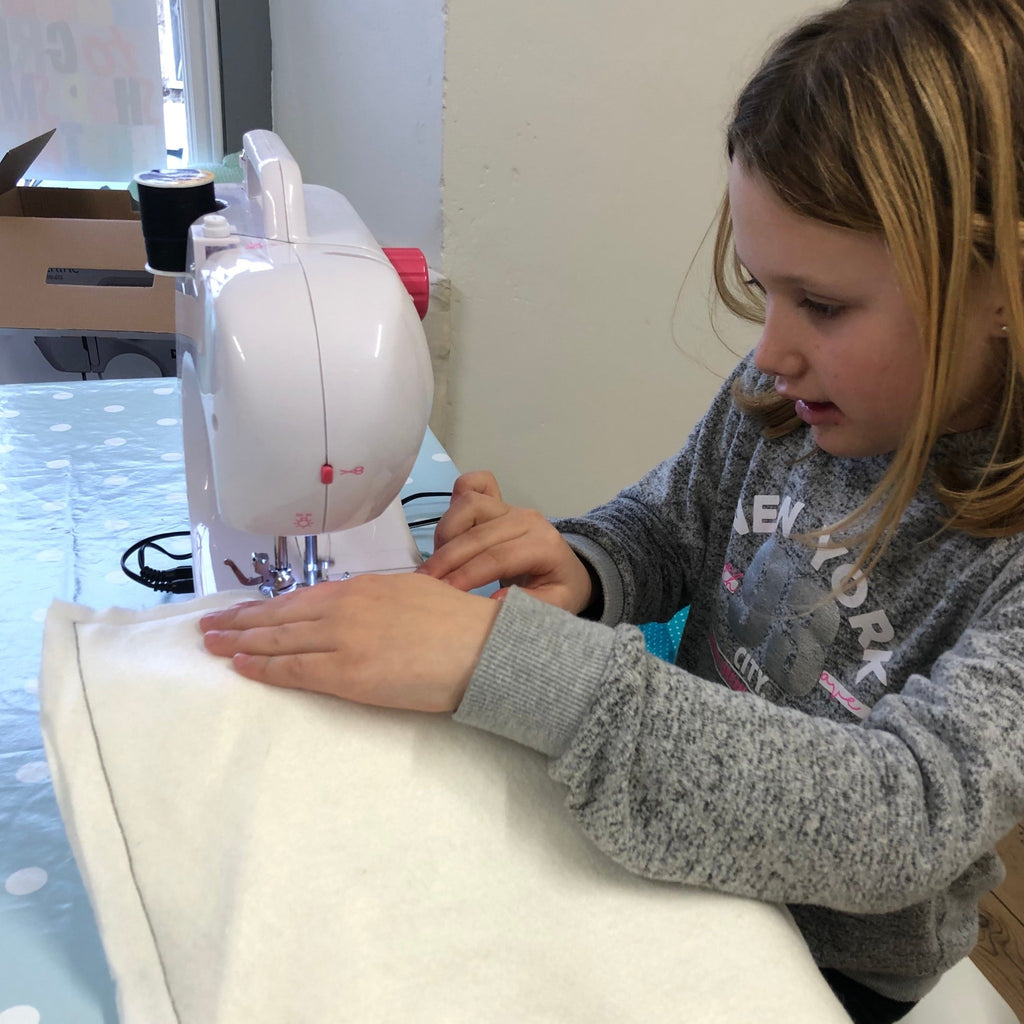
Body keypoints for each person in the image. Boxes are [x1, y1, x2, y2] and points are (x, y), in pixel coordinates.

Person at [198, 1, 1024, 1019]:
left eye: (821, 303)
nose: (768, 348)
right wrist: (585, 564)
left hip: (830, 957)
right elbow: (672, 526)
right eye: (763, 289)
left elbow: (899, 818)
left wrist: (499, 662)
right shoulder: (785, 399)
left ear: (999, 281)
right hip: (676, 852)